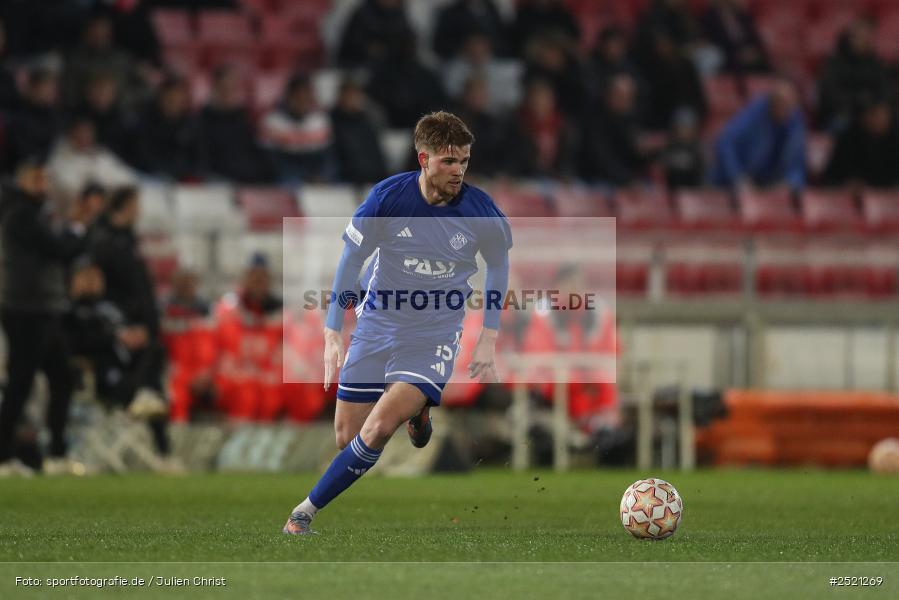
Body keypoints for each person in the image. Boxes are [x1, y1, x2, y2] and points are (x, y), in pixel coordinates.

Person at [282, 111, 512, 535]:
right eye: (449, 161)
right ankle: (419, 412)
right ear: (424, 159)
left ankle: (304, 512)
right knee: (347, 436)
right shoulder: (387, 199)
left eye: (464, 160)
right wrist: (332, 330)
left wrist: (488, 335)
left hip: (433, 335)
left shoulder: (480, 210)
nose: (459, 170)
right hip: (377, 324)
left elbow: (498, 266)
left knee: (377, 427)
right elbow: (351, 260)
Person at [0, 158, 101, 476]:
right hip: (27, 309)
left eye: (45, 179)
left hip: (42, 308)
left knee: (61, 378)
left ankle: (56, 454)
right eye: (37, 179)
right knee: (21, 381)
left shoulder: (32, 213)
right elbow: (59, 250)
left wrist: (73, 228)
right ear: (22, 180)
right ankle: (3, 457)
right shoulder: (20, 214)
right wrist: (77, 226)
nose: (43, 185)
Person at [711, 79, 806, 191]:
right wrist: (737, 178)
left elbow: (797, 164)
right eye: (780, 102)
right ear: (771, 100)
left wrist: (790, 183)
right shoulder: (754, 114)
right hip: (737, 180)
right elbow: (725, 143)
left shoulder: (796, 122)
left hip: (770, 185)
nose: (784, 109)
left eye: (789, 105)